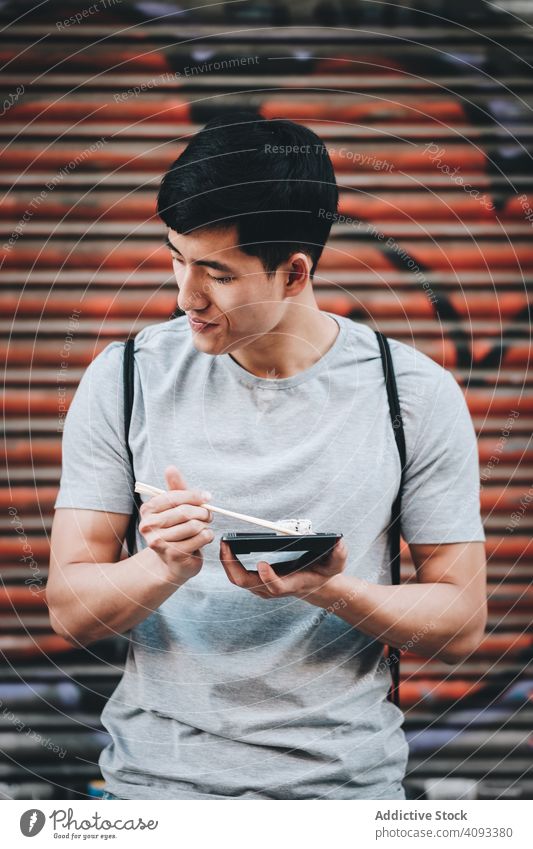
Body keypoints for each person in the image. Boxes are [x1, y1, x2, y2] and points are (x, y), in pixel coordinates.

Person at [47, 112, 487, 801]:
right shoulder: (124, 376)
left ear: (293, 272)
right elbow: (68, 609)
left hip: (345, 801)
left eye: (215, 272)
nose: (185, 295)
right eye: (175, 257)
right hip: (151, 799)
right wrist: (157, 566)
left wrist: (330, 590)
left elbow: (461, 620)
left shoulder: (413, 394)